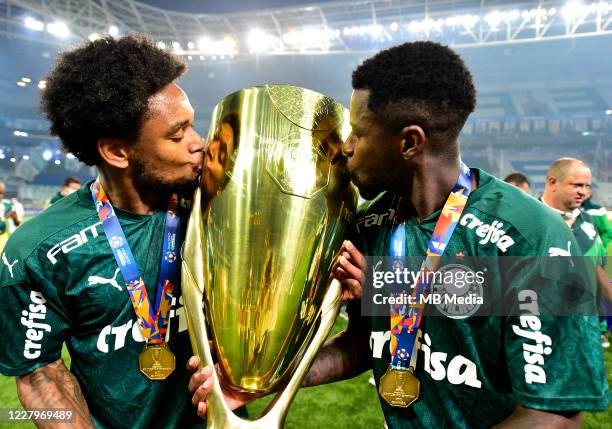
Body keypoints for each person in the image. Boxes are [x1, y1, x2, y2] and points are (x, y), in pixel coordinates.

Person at [190, 41, 609, 428]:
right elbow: (363, 343)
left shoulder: (531, 238)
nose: (346, 147)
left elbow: (552, 414)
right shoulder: (372, 225)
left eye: (359, 132)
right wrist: (262, 378)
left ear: (409, 142)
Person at [0, 35, 204, 428]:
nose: (198, 144)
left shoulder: (215, 205)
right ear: (116, 152)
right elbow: (41, 372)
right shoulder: (40, 251)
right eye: (177, 135)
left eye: (193, 126)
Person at [541, 158, 611, 348]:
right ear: (553, 183)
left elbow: (597, 269)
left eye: (587, 186)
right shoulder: (531, 219)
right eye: (577, 185)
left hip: (587, 326)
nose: (584, 192)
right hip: (544, 329)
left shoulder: (588, 221)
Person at [0, 181, 24, 251]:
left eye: (1, 193)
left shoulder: (7, 206)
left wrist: (15, 217)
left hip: (2, 237)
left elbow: (17, 223)